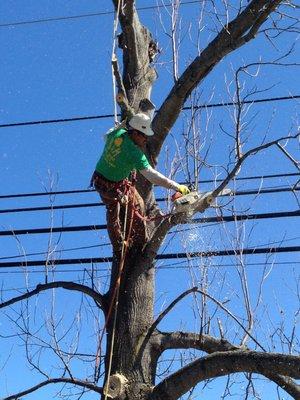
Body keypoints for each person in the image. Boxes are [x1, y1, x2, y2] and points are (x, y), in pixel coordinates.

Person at [91, 112, 190, 253]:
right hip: (109, 187)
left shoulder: (118, 133)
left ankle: (137, 239)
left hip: (100, 178)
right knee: (114, 211)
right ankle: (122, 246)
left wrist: (121, 126)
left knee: (137, 203)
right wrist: (176, 186)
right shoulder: (134, 153)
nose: (146, 139)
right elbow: (152, 176)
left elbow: (106, 136)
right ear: (135, 133)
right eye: (144, 135)